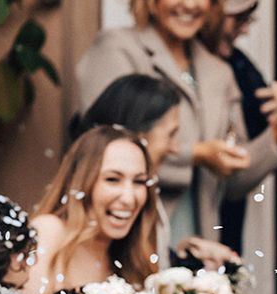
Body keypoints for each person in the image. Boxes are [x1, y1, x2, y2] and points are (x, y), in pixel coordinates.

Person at [75, 0, 277, 253]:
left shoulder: (220, 71)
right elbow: (100, 149)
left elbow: (234, 183)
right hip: (128, 236)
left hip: (196, 245)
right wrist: (197, 154)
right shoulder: (117, 49)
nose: (190, 4)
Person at [74, 73, 240, 270]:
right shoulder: (96, 211)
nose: (176, 149)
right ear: (137, 135)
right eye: (170, 135)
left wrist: (184, 257)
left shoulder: (143, 197)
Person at [203, 0, 277, 252]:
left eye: (247, 19)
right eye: (238, 19)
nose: (244, 30)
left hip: (227, 214)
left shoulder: (240, 66)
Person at [24, 124, 158, 294]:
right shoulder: (49, 231)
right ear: (80, 182)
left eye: (139, 181)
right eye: (113, 179)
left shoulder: (134, 259)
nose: (129, 197)